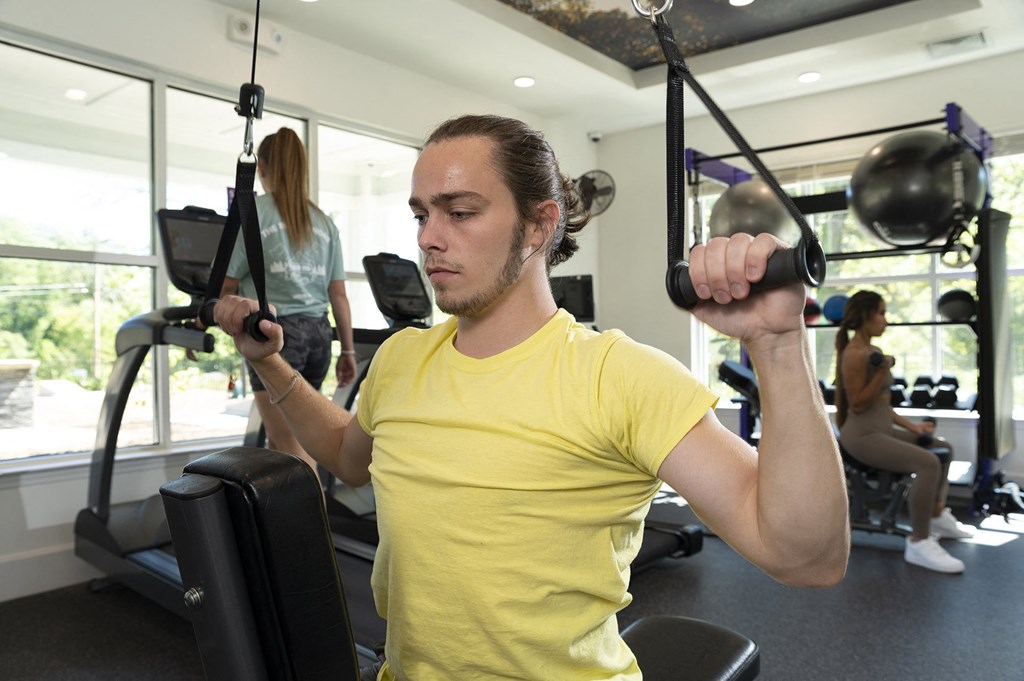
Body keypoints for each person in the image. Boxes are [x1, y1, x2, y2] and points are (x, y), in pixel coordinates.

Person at [215, 114, 850, 680]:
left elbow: (806, 557)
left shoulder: (616, 376)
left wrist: (775, 345)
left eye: (459, 212)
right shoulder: (403, 359)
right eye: (421, 214)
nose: (429, 237)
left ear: (539, 224)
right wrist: (269, 363)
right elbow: (348, 458)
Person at [221, 127, 357, 479]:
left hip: (276, 337)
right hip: (317, 336)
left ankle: (313, 534)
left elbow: (226, 284)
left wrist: (204, 315)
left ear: (262, 168)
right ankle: (278, 532)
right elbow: (338, 295)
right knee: (290, 444)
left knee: (292, 452)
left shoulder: (254, 212)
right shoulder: (325, 223)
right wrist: (349, 352)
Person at [834, 289, 974, 575]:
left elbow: (884, 408)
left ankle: (935, 515)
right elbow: (858, 404)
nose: (886, 320)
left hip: (881, 428)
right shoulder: (854, 353)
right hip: (861, 437)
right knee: (928, 463)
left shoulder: (872, 351)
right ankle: (919, 542)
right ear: (865, 316)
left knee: (943, 447)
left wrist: (915, 428)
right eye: (882, 313)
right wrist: (883, 368)